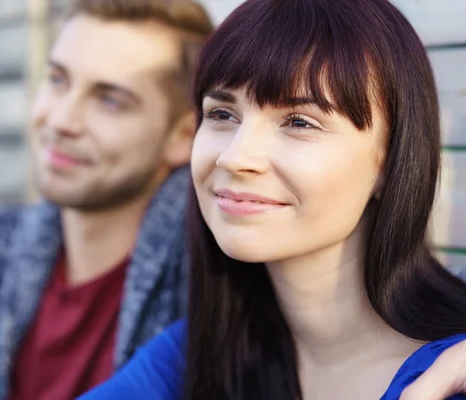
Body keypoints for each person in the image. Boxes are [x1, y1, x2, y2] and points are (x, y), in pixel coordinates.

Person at [78, 0, 466, 399]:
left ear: (390, 160)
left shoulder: (452, 372)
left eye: (299, 122)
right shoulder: (191, 358)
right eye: (222, 114)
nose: (236, 157)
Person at [0, 1, 213, 399]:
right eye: (57, 79)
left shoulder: (212, 282)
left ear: (184, 136)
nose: (61, 119)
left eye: (110, 99)